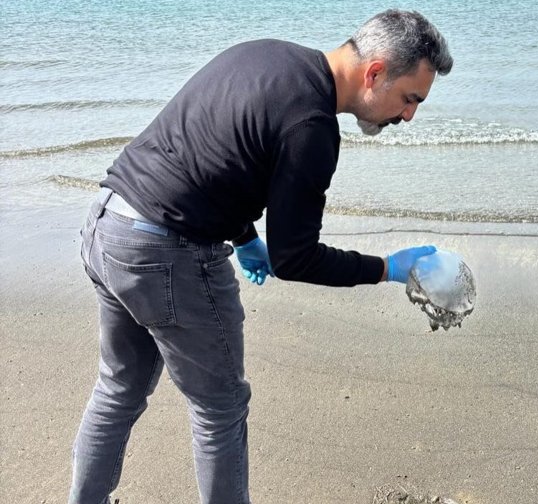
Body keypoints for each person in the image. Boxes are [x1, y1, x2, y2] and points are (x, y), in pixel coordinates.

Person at [70, 10, 453, 504]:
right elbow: (295, 258)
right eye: (409, 99)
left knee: (119, 388)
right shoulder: (313, 127)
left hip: (109, 224)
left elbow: (213, 155)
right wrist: (387, 269)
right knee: (220, 409)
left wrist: (246, 235)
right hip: (164, 253)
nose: (408, 116)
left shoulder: (268, 54)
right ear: (375, 72)